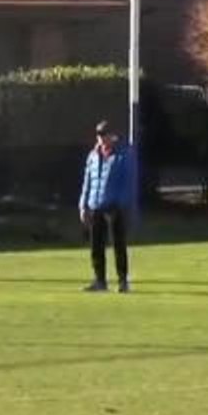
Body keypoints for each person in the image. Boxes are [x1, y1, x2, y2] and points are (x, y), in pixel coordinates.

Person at [79, 121, 136, 293]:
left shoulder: (122, 156)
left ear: (112, 136)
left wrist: (120, 203)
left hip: (114, 207)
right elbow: (87, 182)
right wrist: (83, 205)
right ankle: (100, 281)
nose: (102, 139)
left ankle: (123, 281)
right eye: (99, 135)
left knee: (118, 245)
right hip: (95, 205)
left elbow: (128, 183)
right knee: (96, 246)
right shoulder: (93, 156)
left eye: (104, 135)